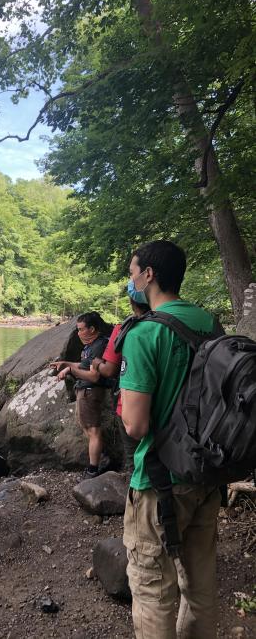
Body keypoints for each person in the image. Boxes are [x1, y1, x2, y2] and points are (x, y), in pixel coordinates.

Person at [119, 240, 221, 639]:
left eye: (132, 272)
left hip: (158, 482)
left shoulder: (144, 334)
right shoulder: (209, 324)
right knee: (200, 588)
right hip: (207, 474)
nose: (131, 279)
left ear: (149, 275)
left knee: (152, 591)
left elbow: (136, 426)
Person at [91, 298, 150, 473]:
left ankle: (137, 497)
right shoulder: (168, 324)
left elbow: (109, 369)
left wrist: (95, 364)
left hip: (128, 405)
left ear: (132, 304)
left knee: (135, 461)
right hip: (167, 405)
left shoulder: (126, 328)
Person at [51, 311, 113, 478]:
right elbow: (84, 364)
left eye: (80, 329)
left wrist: (71, 370)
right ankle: (102, 457)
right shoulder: (90, 346)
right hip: (84, 391)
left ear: (92, 329)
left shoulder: (100, 345)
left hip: (90, 392)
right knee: (87, 427)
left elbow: (94, 376)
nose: (78, 333)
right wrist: (66, 363)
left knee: (93, 430)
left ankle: (93, 469)